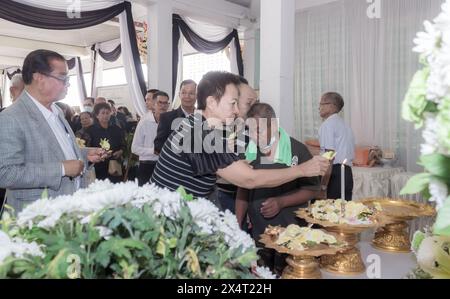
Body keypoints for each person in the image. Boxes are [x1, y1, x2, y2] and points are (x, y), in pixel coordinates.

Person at [150, 71, 329, 199]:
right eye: (232, 103)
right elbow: (249, 180)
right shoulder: (201, 134)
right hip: (164, 220)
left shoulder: (199, 125)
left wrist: (233, 164)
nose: (237, 111)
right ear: (211, 102)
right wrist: (302, 170)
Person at [0, 49, 107, 213]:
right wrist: (61, 169)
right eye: (63, 77)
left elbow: (57, 151)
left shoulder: (56, 111)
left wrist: (85, 154)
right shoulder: (11, 118)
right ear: (39, 77)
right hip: (37, 218)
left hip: (68, 209)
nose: (68, 84)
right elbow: (6, 173)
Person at [235, 103, 320, 273]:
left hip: (291, 233)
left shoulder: (297, 150)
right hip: (260, 234)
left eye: (258, 130)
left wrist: (282, 202)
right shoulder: (250, 150)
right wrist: (236, 223)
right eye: (249, 130)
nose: (254, 136)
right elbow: (243, 186)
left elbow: (313, 190)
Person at [216, 76, 258, 213]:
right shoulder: (216, 130)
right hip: (223, 196)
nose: (254, 109)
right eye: (249, 103)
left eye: (256, 103)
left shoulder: (250, 129)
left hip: (248, 195)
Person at [318, 92, 355, 200]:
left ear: (331, 106)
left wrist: (323, 186)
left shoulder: (328, 125)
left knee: (327, 213)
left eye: (321, 104)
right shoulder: (345, 125)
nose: (319, 107)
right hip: (347, 174)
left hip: (334, 175)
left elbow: (329, 157)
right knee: (344, 212)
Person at [132, 91, 170, 186]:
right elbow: (134, 148)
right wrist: (153, 151)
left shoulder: (171, 121)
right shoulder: (144, 122)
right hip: (147, 166)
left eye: (166, 103)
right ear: (153, 104)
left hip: (165, 166)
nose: (163, 106)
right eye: (160, 102)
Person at [154, 79, 197, 154]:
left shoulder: (204, 117)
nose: (187, 96)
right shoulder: (167, 118)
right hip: (175, 164)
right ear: (179, 94)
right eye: (183, 93)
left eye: (191, 93)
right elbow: (158, 145)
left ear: (197, 96)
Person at [86, 102, 126, 183]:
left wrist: (120, 151)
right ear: (97, 115)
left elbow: (123, 145)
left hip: (115, 166)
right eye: (103, 113)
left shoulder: (116, 129)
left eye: (107, 113)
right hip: (98, 167)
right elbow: (87, 149)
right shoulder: (91, 130)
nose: (105, 115)